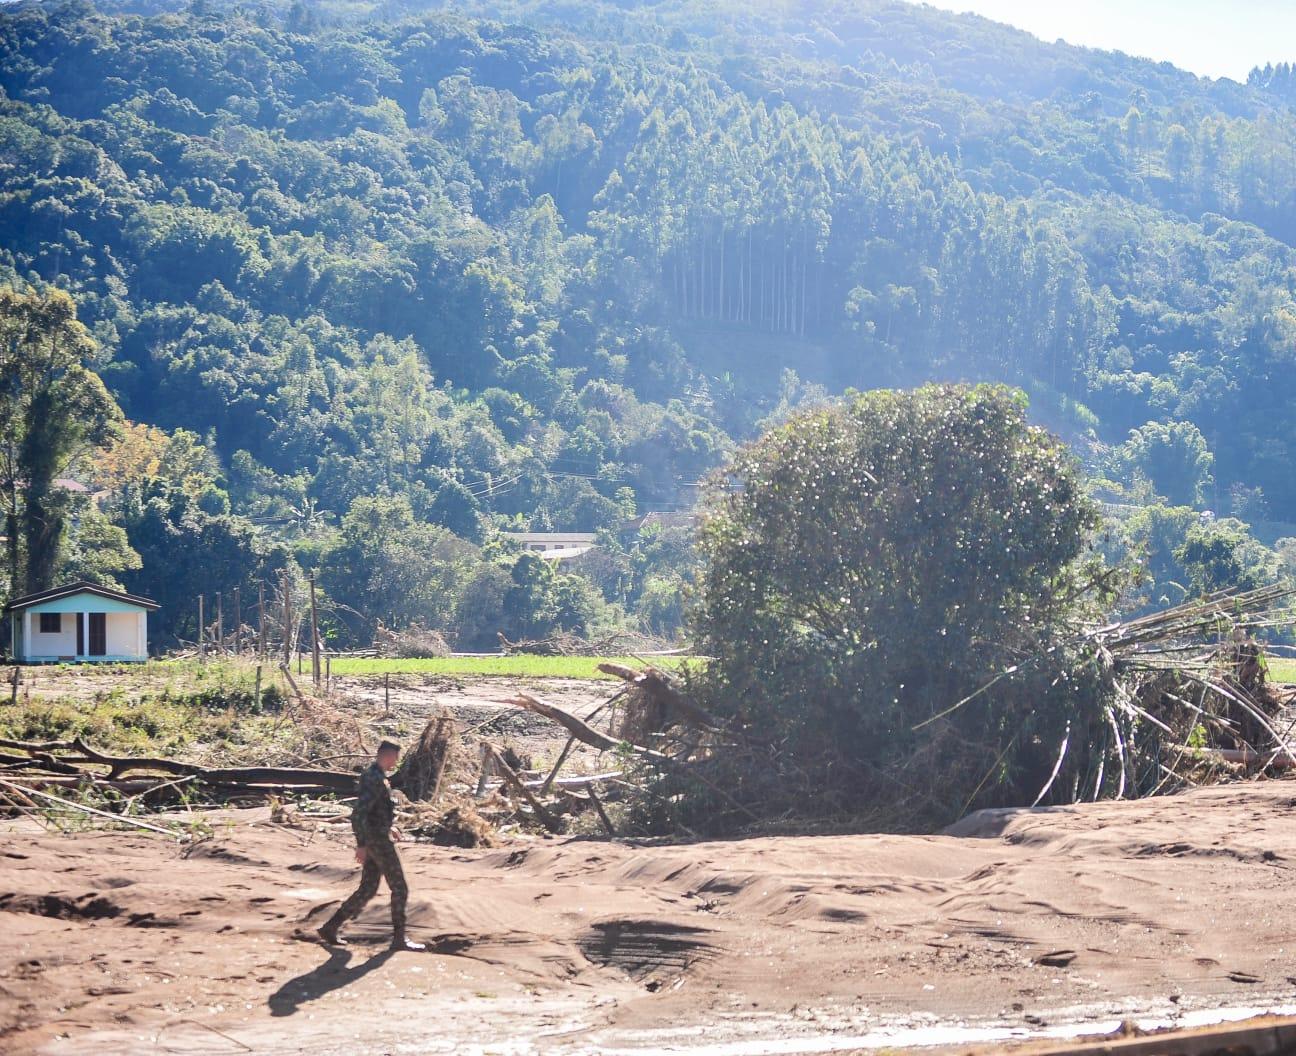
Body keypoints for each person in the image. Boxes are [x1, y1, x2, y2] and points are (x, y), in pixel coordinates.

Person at [318, 739, 425, 951]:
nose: (396, 762)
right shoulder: (374, 778)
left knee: (368, 888)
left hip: (377, 836)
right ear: (387, 755)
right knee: (400, 888)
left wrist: (389, 827)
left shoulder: (377, 776)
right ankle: (399, 939)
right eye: (395, 757)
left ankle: (331, 927)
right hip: (377, 841)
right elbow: (358, 813)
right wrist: (362, 844)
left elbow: (376, 810)